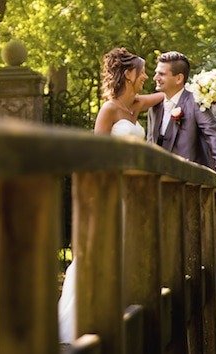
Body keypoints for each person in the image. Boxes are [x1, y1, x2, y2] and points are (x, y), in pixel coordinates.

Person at [58, 47, 164, 344]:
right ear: (129, 74)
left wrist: (187, 89)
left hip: (135, 196)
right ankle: (85, 318)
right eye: (142, 71)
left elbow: (163, 96)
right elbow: (96, 159)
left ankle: (119, 314)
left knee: (127, 252)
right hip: (111, 194)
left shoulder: (136, 106)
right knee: (102, 251)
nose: (145, 76)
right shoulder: (109, 110)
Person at [146, 51, 216, 178]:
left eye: (161, 74)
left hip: (189, 182)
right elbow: (150, 144)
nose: (155, 78)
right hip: (158, 183)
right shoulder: (154, 107)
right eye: (156, 73)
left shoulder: (195, 103)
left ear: (179, 78)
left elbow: (214, 137)